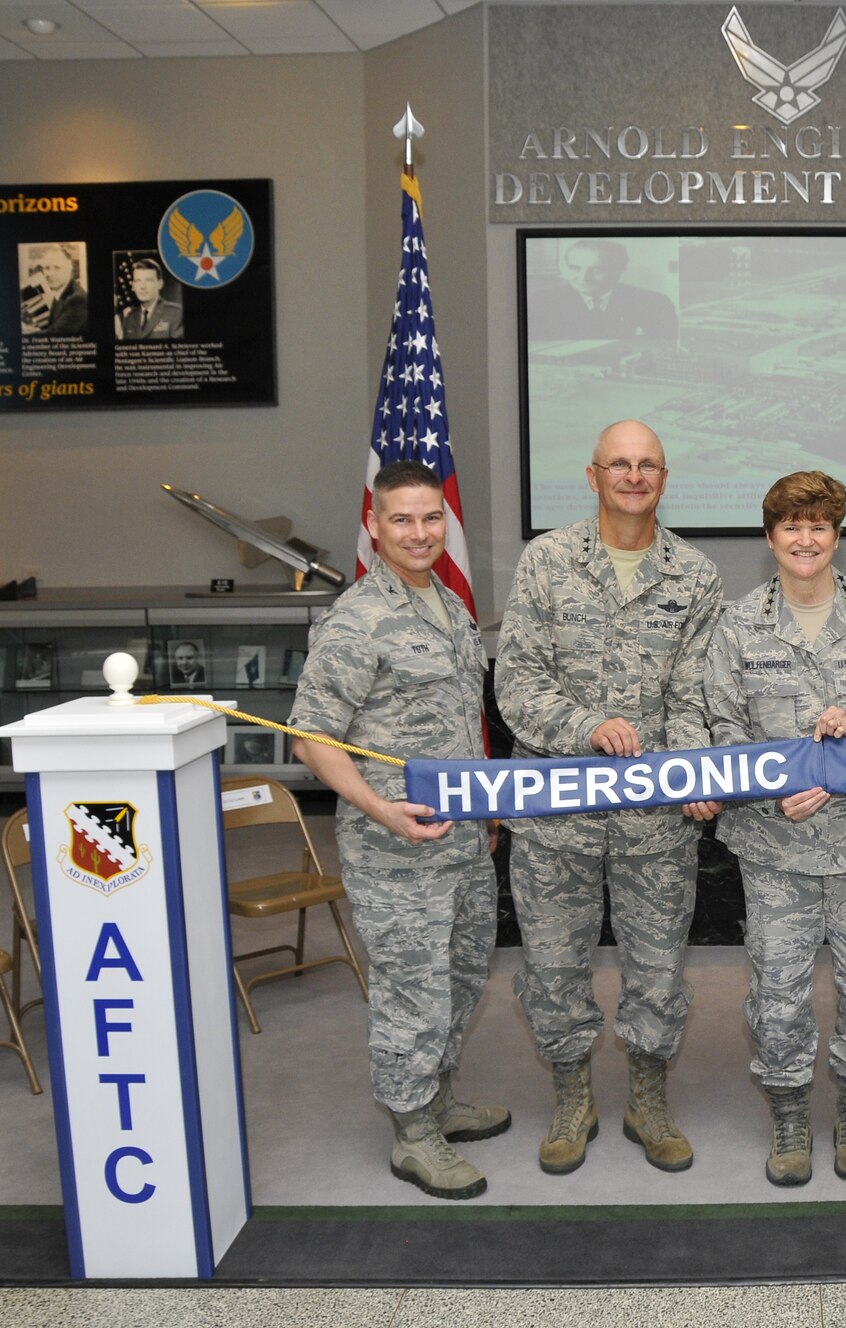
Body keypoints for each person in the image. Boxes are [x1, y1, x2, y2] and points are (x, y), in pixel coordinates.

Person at [495, 418, 723, 1176]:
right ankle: (571, 1097)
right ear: (593, 477)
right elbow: (517, 683)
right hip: (556, 813)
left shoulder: (694, 575)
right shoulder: (547, 561)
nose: (634, 476)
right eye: (618, 465)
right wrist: (589, 726)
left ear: (664, 478)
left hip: (655, 821)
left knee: (658, 970)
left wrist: (695, 770)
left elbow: (697, 695)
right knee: (554, 969)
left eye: (647, 465)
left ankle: (648, 1100)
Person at [703, 471, 846, 1186]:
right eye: (791, 526)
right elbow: (720, 726)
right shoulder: (737, 626)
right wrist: (773, 791)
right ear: (770, 537)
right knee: (778, 991)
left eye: (819, 525)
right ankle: (791, 1113)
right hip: (774, 847)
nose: (806, 538)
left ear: (837, 535)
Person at [290, 459, 506, 1201]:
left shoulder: (448, 602)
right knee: (411, 989)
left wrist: (484, 809)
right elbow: (311, 737)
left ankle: (439, 1100)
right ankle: (413, 1132)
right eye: (403, 519)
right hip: (396, 849)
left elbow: (456, 723)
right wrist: (379, 808)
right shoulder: (358, 618)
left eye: (431, 517)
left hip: (462, 841)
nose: (420, 532)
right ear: (375, 527)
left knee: (460, 974)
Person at [530, 239, 677, 344]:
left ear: (620, 269)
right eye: (575, 268)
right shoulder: (541, 302)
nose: (583, 278)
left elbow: (666, 350)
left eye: (597, 270)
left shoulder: (655, 304)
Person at [22, 242, 87, 335]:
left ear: (69, 268)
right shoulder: (60, 291)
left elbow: (55, 335)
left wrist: (27, 333)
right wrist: (31, 329)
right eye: (47, 268)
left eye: (57, 268)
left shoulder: (77, 299)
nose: (50, 274)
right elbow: (53, 328)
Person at [117, 258, 184, 340]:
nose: (143, 287)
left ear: (160, 284)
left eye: (148, 280)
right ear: (133, 286)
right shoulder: (129, 317)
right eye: (138, 281)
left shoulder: (176, 314)